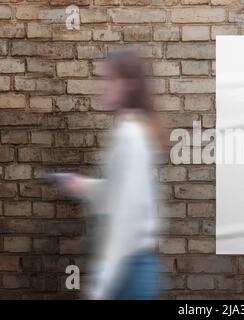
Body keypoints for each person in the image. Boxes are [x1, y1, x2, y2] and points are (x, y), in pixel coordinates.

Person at [56, 50, 164, 300]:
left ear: (129, 85)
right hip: (131, 269)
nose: (101, 87)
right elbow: (121, 192)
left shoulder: (129, 136)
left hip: (128, 271)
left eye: (108, 80)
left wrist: (100, 285)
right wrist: (83, 186)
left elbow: (125, 218)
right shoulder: (129, 131)